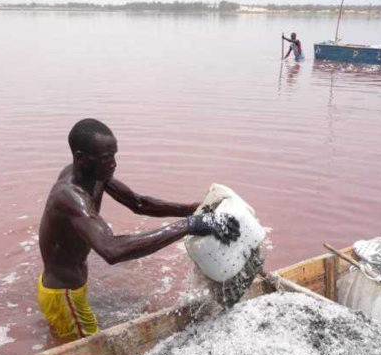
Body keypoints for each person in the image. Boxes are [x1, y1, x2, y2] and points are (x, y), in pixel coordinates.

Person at [38, 118, 240, 340]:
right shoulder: (69, 196)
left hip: (70, 288)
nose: (114, 164)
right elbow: (112, 250)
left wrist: (196, 209)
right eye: (107, 158)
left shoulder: (95, 175)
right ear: (80, 158)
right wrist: (191, 225)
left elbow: (139, 204)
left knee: (67, 342)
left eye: (114, 155)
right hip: (64, 295)